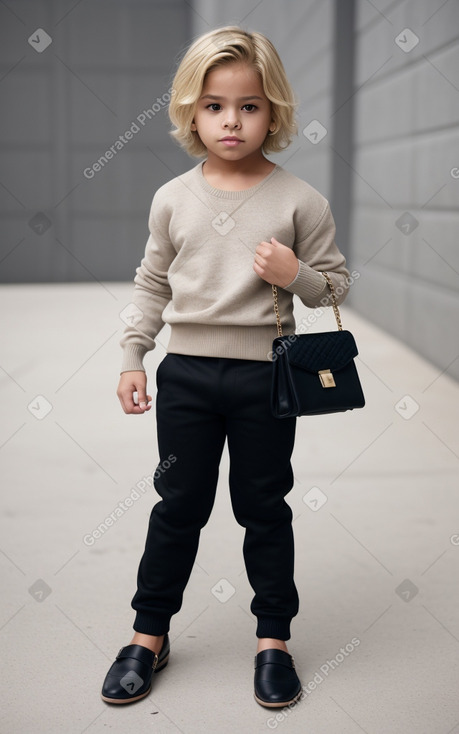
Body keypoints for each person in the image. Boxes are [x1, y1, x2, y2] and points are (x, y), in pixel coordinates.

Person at [101, 25, 350, 709]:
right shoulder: (173, 198)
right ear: (190, 110)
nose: (231, 121)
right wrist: (133, 355)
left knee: (262, 508)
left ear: (273, 112)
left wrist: (295, 273)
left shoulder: (300, 200)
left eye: (248, 106)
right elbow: (152, 282)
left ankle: (274, 640)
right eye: (213, 105)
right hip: (185, 377)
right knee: (177, 506)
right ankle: (147, 634)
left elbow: (334, 287)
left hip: (265, 378)